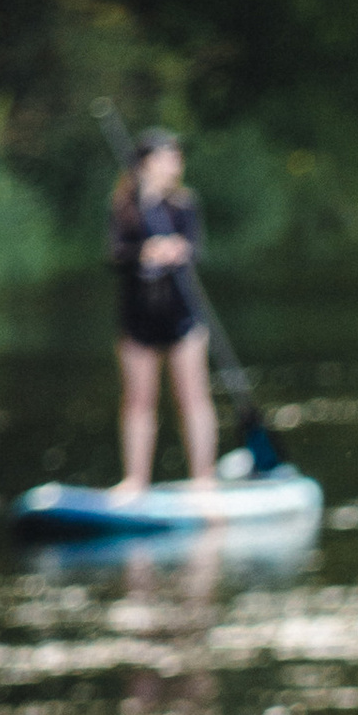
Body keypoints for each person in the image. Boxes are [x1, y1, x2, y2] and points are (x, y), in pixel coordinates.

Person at [110, 131, 214, 494]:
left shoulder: (184, 205)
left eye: (175, 157)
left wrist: (174, 249)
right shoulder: (126, 206)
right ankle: (135, 480)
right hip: (139, 317)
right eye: (164, 157)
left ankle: (204, 477)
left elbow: (193, 247)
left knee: (193, 396)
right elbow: (115, 254)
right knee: (138, 401)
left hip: (182, 314)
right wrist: (145, 251)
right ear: (145, 164)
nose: (173, 164)